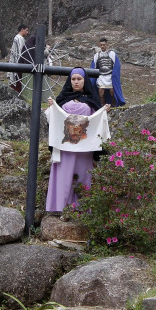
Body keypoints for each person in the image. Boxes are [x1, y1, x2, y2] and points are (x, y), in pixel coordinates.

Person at [46, 68, 109, 212]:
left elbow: (96, 120)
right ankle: (60, 207)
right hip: (65, 146)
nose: (76, 82)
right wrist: (52, 108)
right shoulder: (62, 99)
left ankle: (81, 209)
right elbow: (53, 120)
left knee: (82, 176)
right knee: (64, 176)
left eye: (79, 79)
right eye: (73, 79)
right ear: (70, 81)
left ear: (84, 81)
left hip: (84, 148)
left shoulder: (91, 100)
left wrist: (104, 112)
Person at [91, 37, 126, 106]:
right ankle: (102, 106)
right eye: (101, 45)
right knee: (101, 93)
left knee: (112, 92)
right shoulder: (97, 55)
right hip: (101, 76)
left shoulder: (112, 54)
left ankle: (113, 106)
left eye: (104, 45)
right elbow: (94, 67)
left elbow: (116, 65)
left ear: (106, 44)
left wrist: (114, 75)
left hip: (109, 76)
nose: (102, 46)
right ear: (99, 45)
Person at [8, 24, 30, 92]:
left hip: (18, 62)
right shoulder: (18, 38)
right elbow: (20, 52)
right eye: (26, 30)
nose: (27, 32)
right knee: (17, 81)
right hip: (17, 62)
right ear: (22, 29)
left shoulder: (20, 38)